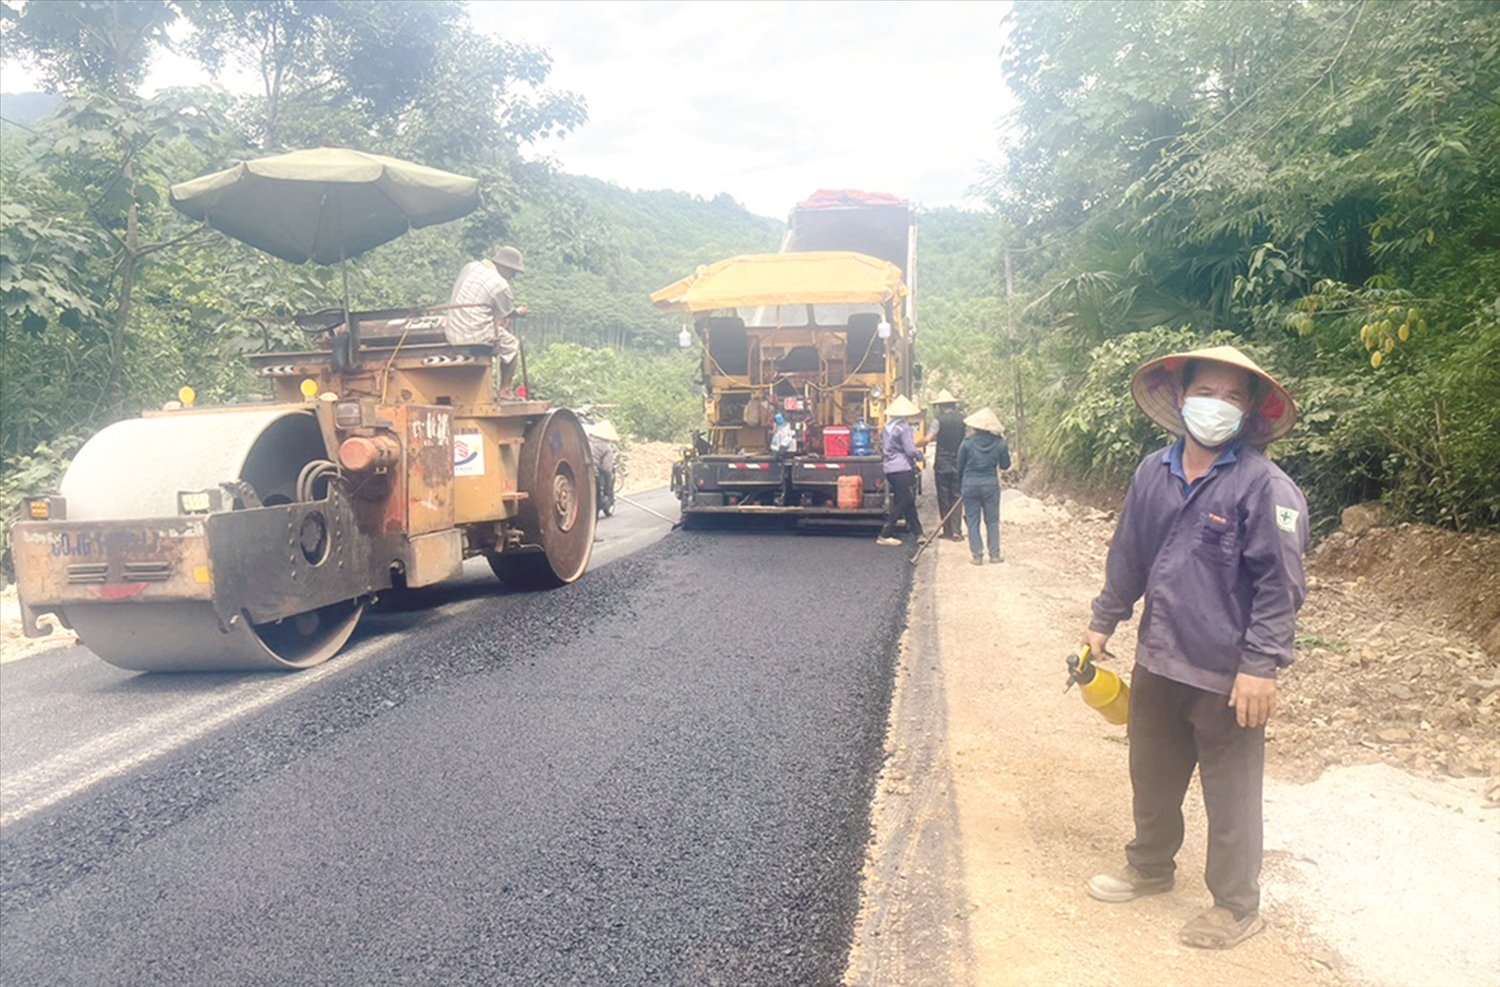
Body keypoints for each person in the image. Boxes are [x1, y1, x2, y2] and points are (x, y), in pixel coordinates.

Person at [1083, 345, 1308, 951]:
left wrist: (1261, 667)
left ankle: (1236, 906)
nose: (1218, 405)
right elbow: (1130, 552)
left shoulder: (1266, 488)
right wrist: (1105, 618)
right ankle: (1150, 868)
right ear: (1182, 397)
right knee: (1151, 772)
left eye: (1234, 397)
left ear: (1250, 413)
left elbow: (1279, 586)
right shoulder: (1153, 472)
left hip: (1227, 671)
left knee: (1230, 789)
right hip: (1159, 654)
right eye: (1208, 391)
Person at [446, 245, 527, 399]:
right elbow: (508, 313)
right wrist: (520, 313)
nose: (513, 276)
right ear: (505, 267)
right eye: (513, 272)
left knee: (494, 326)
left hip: (452, 330)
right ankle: (505, 390)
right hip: (475, 333)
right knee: (511, 345)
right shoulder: (500, 284)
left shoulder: (470, 267)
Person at [956, 407, 1011, 564]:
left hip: (970, 484)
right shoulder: (1000, 444)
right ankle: (994, 555)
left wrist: (962, 486)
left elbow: (959, 467)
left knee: (973, 519)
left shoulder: (966, 444)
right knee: (992, 520)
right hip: (990, 485)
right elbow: (1005, 466)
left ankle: (977, 556)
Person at [876, 395, 924, 546]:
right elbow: (910, 450)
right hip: (903, 468)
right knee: (904, 500)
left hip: (890, 469)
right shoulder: (904, 428)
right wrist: (920, 456)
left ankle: (919, 533)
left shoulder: (886, 428)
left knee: (906, 500)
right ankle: (885, 533)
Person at [929, 390, 966, 541]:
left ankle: (947, 530)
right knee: (957, 496)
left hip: (942, 464)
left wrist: (918, 444)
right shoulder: (963, 420)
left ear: (939, 406)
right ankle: (957, 531)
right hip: (959, 462)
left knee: (943, 496)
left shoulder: (938, 421)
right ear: (953, 404)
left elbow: (928, 438)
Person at [586, 419, 619, 513]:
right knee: (608, 477)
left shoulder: (585, 442)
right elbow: (606, 467)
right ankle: (607, 499)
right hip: (594, 473)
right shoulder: (606, 448)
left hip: (581, 470)